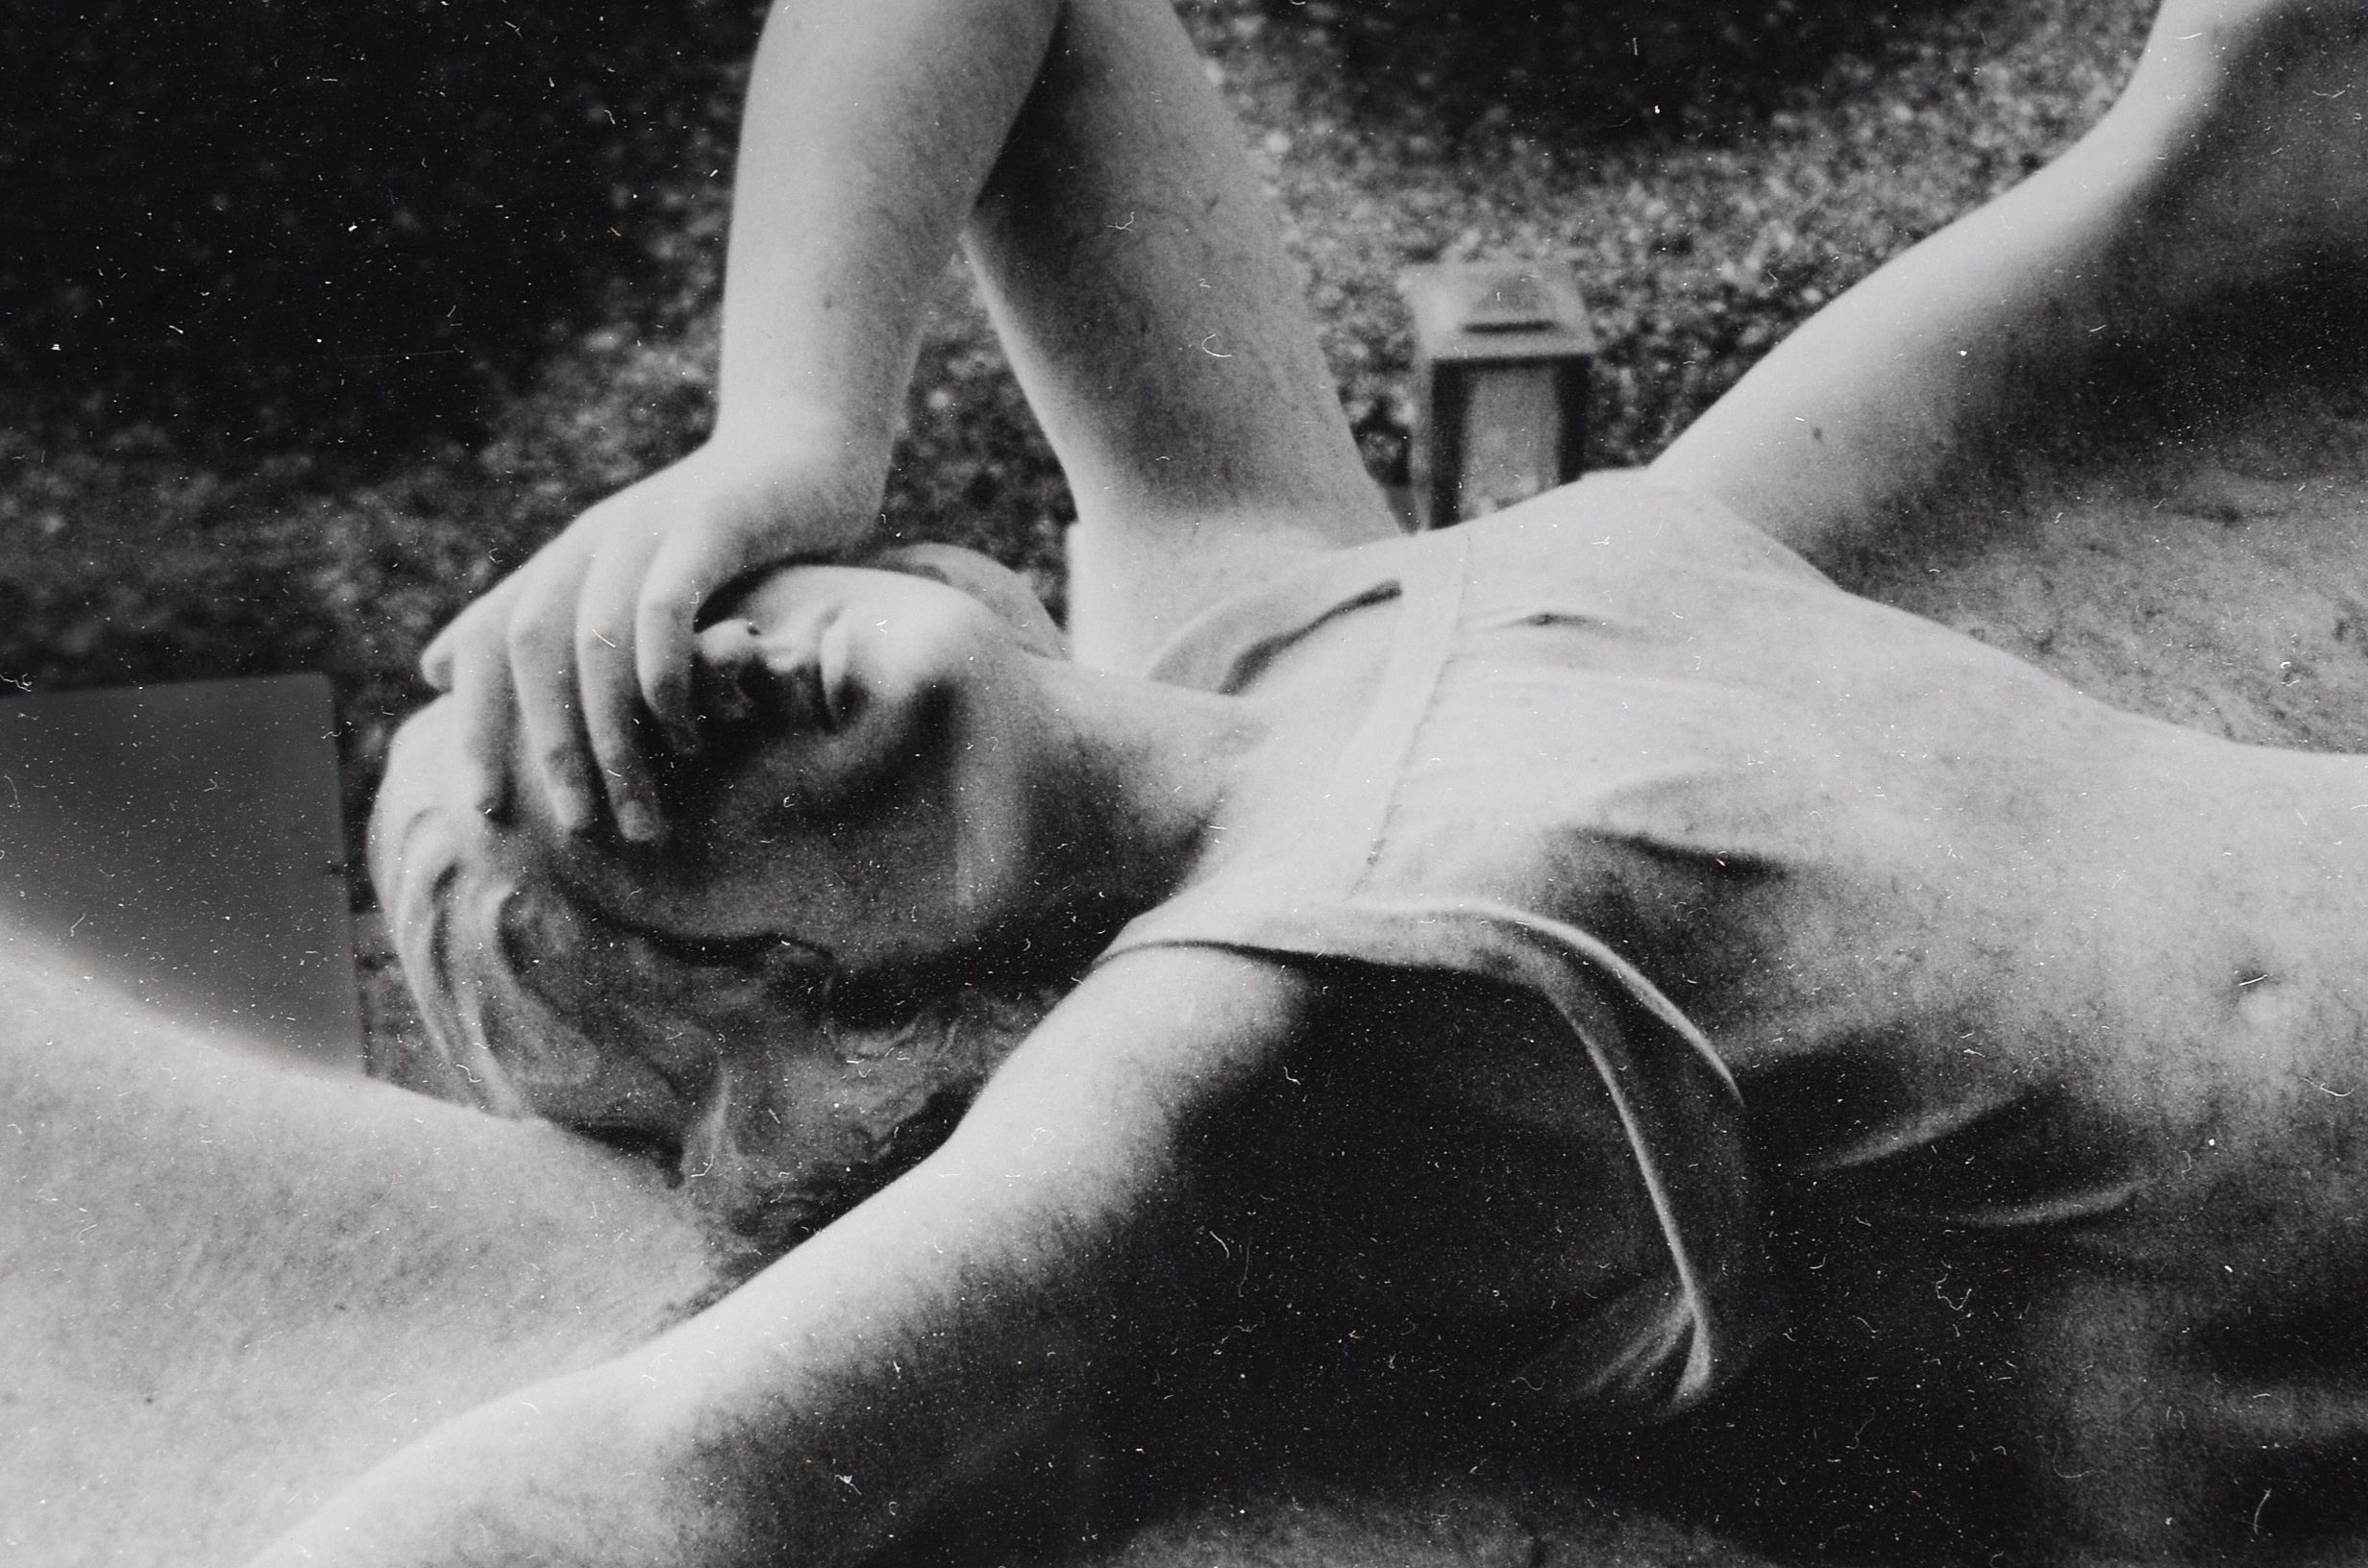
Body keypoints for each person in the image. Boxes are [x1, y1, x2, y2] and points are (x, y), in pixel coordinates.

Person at [265, 0, 2368, 1562]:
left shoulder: (1278, 617)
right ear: (797, 1043)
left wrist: (783, 427)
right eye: (615, 819)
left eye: (607, 645)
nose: (669, 693)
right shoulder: (1231, 1029)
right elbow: (658, 1475)